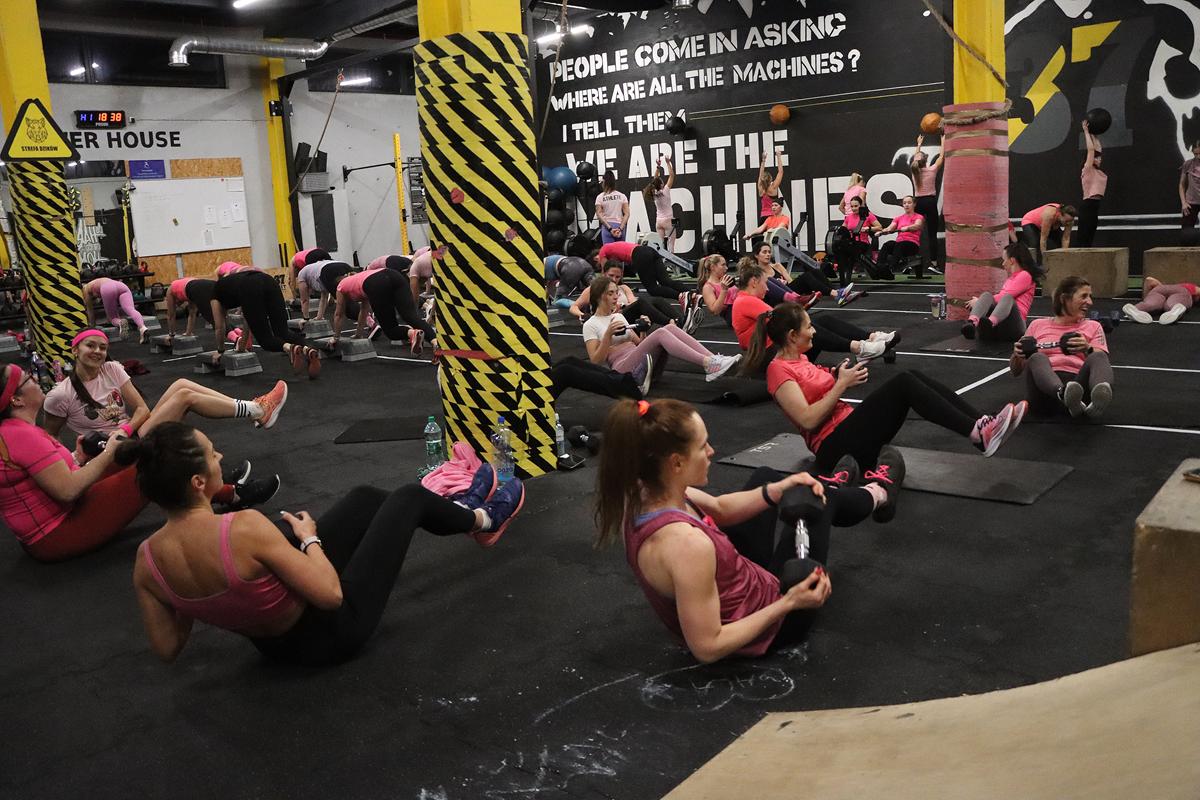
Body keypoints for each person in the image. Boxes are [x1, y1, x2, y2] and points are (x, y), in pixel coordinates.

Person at [128, 422, 525, 666]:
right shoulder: (242, 526)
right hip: (333, 633)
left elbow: (168, 647)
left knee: (365, 498)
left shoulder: (147, 560)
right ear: (198, 483)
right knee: (409, 497)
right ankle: (484, 519)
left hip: (273, 648)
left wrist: (189, 594)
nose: (220, 456)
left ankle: (458, 512)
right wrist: (309, 539)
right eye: (212, 454)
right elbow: (332, 596)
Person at [593, 398, 902, 663]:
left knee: (767, 477)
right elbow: (708, 646)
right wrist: (790, 603)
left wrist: (779, 489)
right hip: (770, 626)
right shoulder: (686, 546)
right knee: (823, 499)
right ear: (675, 464)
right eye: (702, 446)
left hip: (737, 582)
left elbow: (721, 508)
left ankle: (833, 486)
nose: (712, 451)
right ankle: (879, 493)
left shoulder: (646, 493)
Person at [745, 302, 1024, 472]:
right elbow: (807, 419)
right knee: (903, 383)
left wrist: (839, 373)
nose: (815, 331)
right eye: (809, 327)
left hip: (850, 430)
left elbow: (819, 383)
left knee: (911, 375)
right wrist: (841, 384)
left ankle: (980, 424)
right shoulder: (777, 370)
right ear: (792, 336)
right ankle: (978, 433)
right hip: (834, 448)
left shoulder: (802, 359)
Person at [0, 363, 148, 561]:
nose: (36, 379)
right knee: (155, 460)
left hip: (57, 520)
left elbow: (44, 474)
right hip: (55, 534)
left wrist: (77, 458)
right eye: (28, 378)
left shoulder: (14, 430)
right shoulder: (21, 435)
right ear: (16, 400)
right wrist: (109, 453)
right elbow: (67, 491)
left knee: (137, 453)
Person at [44, 329, 289, 440]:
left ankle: (256, 409)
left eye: (102, 347)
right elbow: (50, 438)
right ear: (75, 350)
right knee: (185, 397)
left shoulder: (111, 369)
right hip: (112, 450)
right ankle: (256, 410)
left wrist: (125, 430)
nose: (97, 351)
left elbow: (142, 410)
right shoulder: (60, 395)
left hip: (129, 435)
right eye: (90, 346)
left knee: (181, 384)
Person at [582, 275, 740, 395]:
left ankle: (712, 360)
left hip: (644, 368)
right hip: (623, 372)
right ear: (599, 296)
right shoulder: (590, 324)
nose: (616, 297)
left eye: (616, 292)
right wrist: (608, 336)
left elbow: (639, 345)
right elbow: (595, 361)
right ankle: (708, 363)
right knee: (662, 332)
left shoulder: (618, 316)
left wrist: (643, 328)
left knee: (669, 328)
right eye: (611, 293)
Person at [731, 265, 895, 365]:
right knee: (809, 329)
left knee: (822, 321)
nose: (767, 289)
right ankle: (860, 348)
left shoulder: (746, 300)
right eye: (765, 284)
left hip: (775, 351)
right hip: (770, 357)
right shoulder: (746, 300)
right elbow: (781, 319)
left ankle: (870, 339)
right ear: (754, 282)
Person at [1011, 276, 1113, 418]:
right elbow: (1015, 371)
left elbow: (1101, 362)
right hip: (1044, 391)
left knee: (1098, 355)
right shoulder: (1037, 325)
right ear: (1064, 299)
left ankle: (1098, 401)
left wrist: (1087, 348)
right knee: (1036, 357)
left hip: (1078, 388)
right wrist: (1017, 355)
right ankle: (1062, 393)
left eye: (1090, 297)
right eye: (1084, 296)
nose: (1090, 302)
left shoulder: (1093, 326)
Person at [210, 269, 323, 379]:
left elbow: (219, 327)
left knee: (265, 340)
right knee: (283, 332)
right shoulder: (230, 283)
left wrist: (220, 351)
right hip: (269, 280)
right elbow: (248, 319)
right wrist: (242, 347)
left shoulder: (214, 294)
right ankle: (307, 349)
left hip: (250, 288)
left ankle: (290, 348)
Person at [331, 266, 437, 355]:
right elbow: (364, 310)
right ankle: (435, 342)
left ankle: (412, 333)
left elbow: (338, 314)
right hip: (394, 275)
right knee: (411, 317)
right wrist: (358, 334)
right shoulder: (358, 278)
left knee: (391, 330)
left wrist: (336, 337)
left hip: (377, 282)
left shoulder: (340, 287)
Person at [960, 243, 1040, 342]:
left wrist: (978, 302)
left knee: (1007, 298)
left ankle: (990, 323)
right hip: (1000, 326)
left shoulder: (1025, 275)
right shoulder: (1010, 279)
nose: (1003, 264)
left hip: (1014, 327)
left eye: (1004, 260)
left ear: (1012, 260)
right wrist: (981, 302)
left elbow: (1004, 297)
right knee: (986, 295)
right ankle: (972, 323)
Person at [569, 261, 684, 329]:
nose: (614, 279)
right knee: (642, 302)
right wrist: (582, 315)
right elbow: (573, 307)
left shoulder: (624, 288)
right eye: (611, 275)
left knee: (656, 300)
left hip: (627, 319)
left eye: (617, 277)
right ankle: (670, 322)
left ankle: (681, 321)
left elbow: (633, 302)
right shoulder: (593, 289)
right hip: (609, 321)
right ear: (604, 273)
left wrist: (624, 306)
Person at [597, 239, 695, 311]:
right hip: (649, 250)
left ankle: (681, 296)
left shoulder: (603, 251)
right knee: (666, 281)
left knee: (653, 289)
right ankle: (693, 294)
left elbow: (605, 274)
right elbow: (619, 271)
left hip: (640, 255)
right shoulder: (611, 249)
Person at [749, 241, 835, 300]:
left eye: (769, 252)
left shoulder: (777, 266)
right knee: (806, 276)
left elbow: (790, 281)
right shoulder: (757, 272)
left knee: (815, 271)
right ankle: (834, 293)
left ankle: (836, 292)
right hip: (777, 296)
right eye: (764, 252)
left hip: (790, 291)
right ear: (756, 255)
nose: (768, 254)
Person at [910, 134, 944, 272]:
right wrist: (943, 140)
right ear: (926, 161)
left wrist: (918, 144)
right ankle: (934, 264)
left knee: (913, 233)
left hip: (918, 203)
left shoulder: (914, 172)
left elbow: (915, 158)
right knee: (932, 235)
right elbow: (941, 156)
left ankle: (910, 262)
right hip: (929, 202)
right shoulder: (932, 169)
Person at [833, 194, 880, 289]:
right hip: (851, 243)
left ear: (861, 205)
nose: (854, 208)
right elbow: (842, 229)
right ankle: (843, 285)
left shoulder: (868, 215)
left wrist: (868, 228)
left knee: (848, 252)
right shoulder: (849, 217)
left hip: (862, 243)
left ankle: (845, 284)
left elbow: (879, 227)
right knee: (841, 252)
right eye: (852, 206)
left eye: (856, 206)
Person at [82, 276, 148, 343]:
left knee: (112, 318)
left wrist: (92, 327)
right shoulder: (95, 282)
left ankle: (120, 322)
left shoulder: (85, 290)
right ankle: (143, 328)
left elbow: (90, 310)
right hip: (120, 285)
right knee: (131, 309)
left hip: (107, 288)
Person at [876, 196, 925, 279]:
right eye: (904, 203)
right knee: (887, 244)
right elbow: (889, 228)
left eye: (909, 203)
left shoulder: (918, 217)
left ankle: (892, 268)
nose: (906, 205)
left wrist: (908, 228)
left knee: (900, 244)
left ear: (914, 204)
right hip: (899, 245)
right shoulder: (898, 218)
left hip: (912, 245)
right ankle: (879, 267)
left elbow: (918, 225)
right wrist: (881, 232)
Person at [1076, 120, 1107, 248]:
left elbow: (1098, 149)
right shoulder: (1087, 168)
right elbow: (1091, 150)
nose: (1099, 159)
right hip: (1088, 206)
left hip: (1095, 207)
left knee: (1090, 236)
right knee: (1083, 238)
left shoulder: (1098, 171)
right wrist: (1086, 132)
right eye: (1097, 158)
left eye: (1099, 158)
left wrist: (1094, 133)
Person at [1123, 276, 1199, 325]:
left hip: (1159, 289)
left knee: (1151, 304)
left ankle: (1136, 309)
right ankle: (1176, 308)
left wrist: (1148, 295)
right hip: (1180, 291)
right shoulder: (1189, 286)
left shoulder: (1162, 286)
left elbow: (1149, 279)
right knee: (1173, 303)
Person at [645, 154, 677, 251]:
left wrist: (658, 167)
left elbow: (655, 179)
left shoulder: (654, 193)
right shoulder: (665, 191)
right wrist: (668, 163)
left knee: (661, 245)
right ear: (662, 184)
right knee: (671, 244)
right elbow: (672, 175)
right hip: (668, 220)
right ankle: (671, 260)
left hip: (659, 221)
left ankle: (661, 259)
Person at [698, 254, 737, 325]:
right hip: (732, 314)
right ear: (713, 267)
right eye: (723, 265)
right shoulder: (708, 287)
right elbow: (715, 311)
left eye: (726, 265)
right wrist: (724, 290)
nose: (726, 268)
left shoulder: (726, 280)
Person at [595, 171, 629, 244]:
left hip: (607, 227)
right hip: (620, 226)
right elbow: (627, 214)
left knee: (608, 251)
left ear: (604, 182)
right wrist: (620, 229)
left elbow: (599, 214)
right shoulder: (622, 196)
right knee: (621, 251)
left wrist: (610, 228)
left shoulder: (600, 197)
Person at [757, 147, 785, 223]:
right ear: (770, 179)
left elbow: (760, 175)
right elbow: (780, 172)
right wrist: (778, 156)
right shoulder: (773, 187)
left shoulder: (760, 188)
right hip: (772, 217)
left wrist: (763, 160)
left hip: (763, 218)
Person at [1178, 139, 1200, 230]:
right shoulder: (1188, 164)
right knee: (1187, 233)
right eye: (1196, 154)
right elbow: (1181, 185)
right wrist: (1184, 203)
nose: (1198, 156)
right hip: (1191, 203)